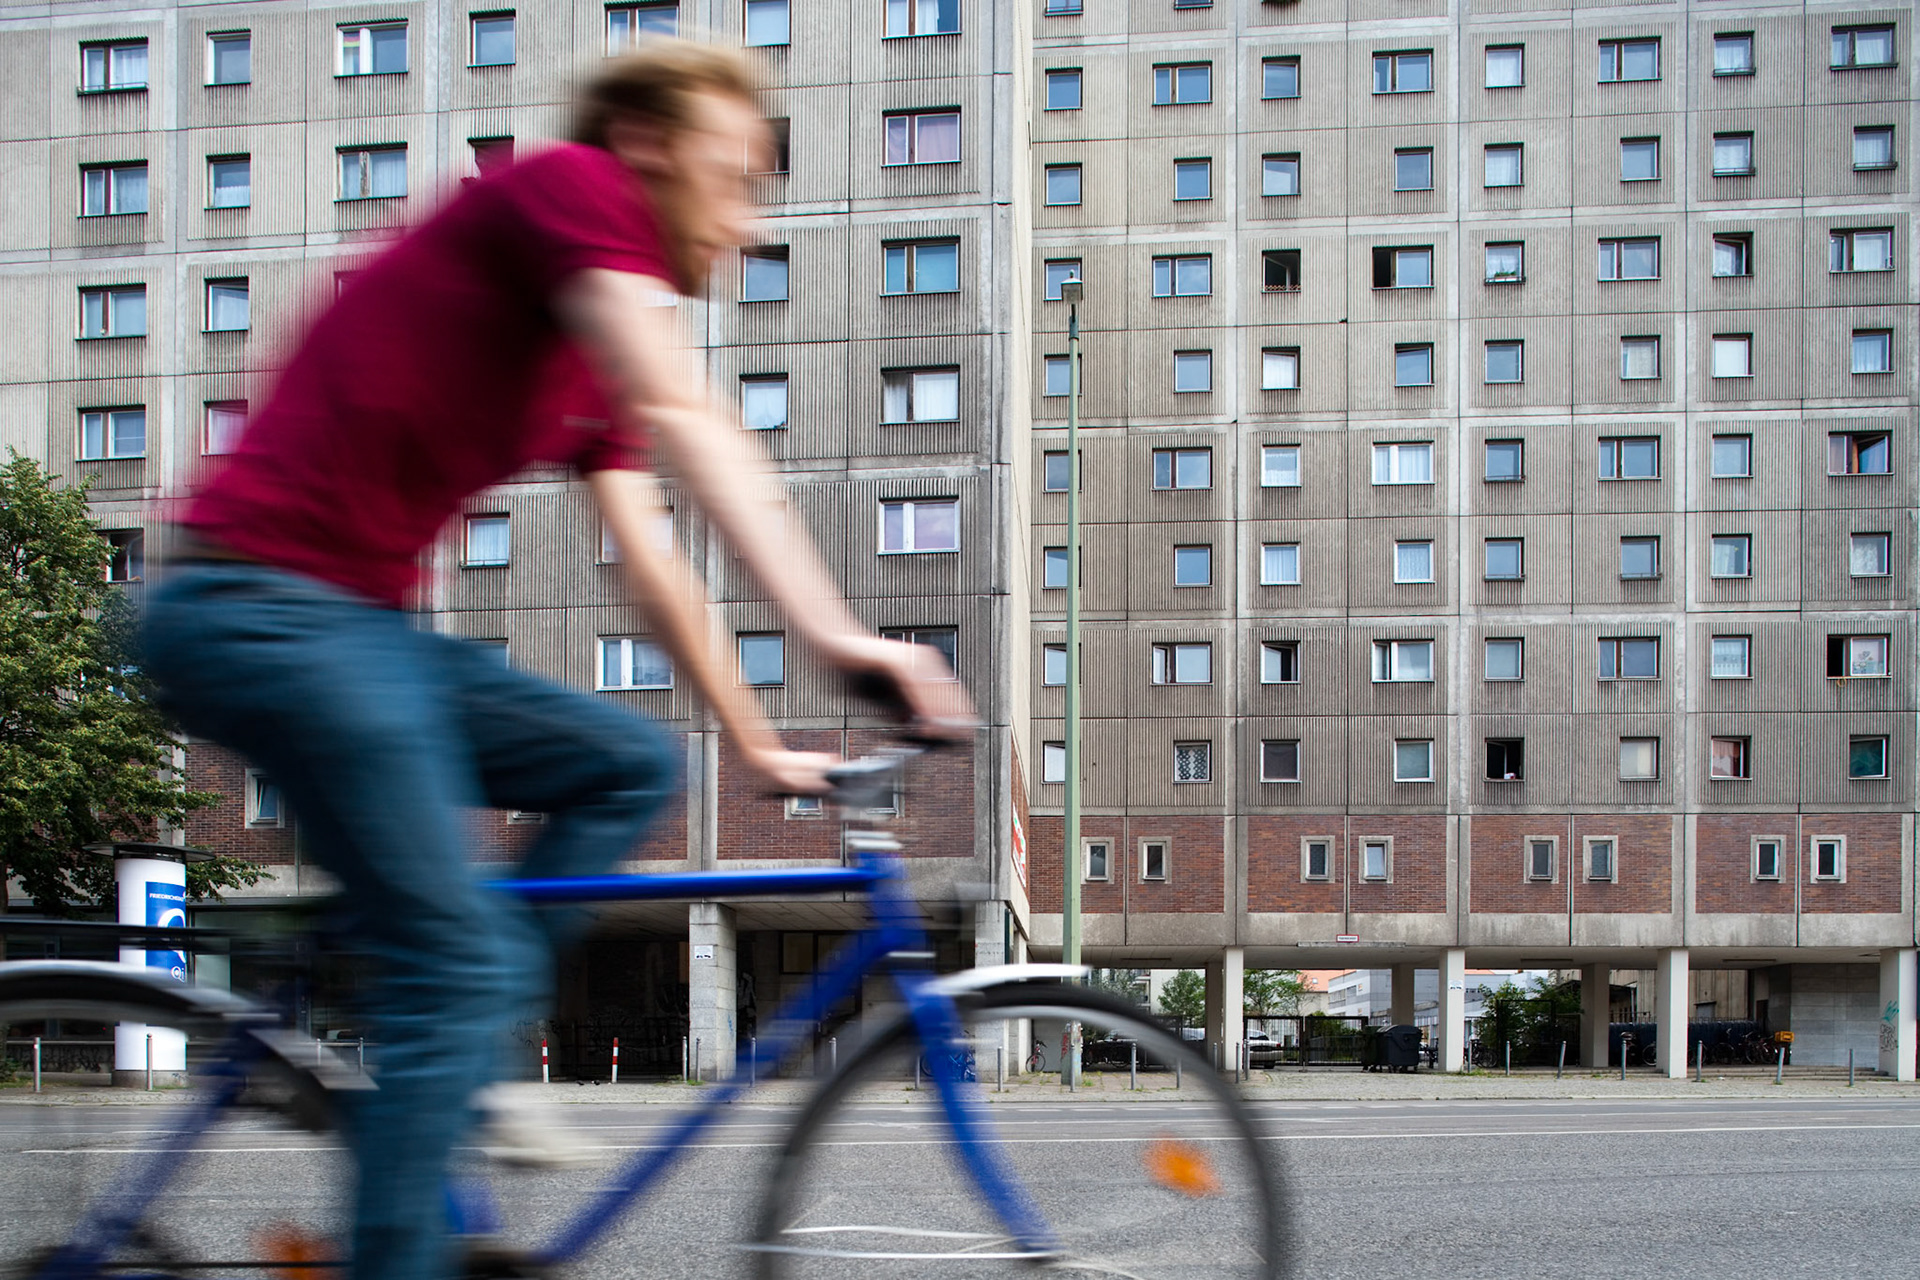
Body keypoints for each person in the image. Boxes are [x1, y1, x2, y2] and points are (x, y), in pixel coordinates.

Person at [142, 41, 967, 1280]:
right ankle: (441, 1082)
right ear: (645, 145)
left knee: (627, 763)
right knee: (455, 960)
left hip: (354, 630)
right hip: (255, 608)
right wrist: (843, 636)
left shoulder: (587, 346)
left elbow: (652, 552)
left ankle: (449, 1057)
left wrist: (748, 739)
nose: (743, 225)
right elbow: (695, 417)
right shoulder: (567, 189)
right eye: (734, 179)